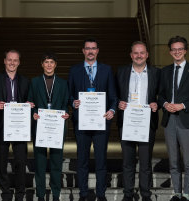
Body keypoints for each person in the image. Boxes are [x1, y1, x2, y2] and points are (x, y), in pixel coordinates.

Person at [68, 38, 118, 201]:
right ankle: (83, 193)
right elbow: (68, 94)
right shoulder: (74, 70)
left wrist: (111, 110)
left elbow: (113, 96)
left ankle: (101, 194)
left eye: (93, 48)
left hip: (101, 122)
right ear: (83, 51)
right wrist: (73, 102)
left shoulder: (107, 70)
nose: (90, 51)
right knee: (81, 160)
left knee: (101, 160)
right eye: (87, 48)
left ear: (97, 51)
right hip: (81, 123)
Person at [158, 36, 189, 201]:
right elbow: (160, 94)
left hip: (187, 120)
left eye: (180, 49)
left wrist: (182, 105)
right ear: (170, 52)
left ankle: (187, 193)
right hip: (169, 120)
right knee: (173, 160)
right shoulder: (165, 71)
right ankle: (176, 193)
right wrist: (165, 104)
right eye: (174, 49)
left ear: (185, 51)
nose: (177, 52)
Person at [116, 41, 160, 201]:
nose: (139, 55)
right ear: (131, 55)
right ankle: (128, 194)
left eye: (142, 53)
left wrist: (157, 103)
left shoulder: (156, 73)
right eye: (136, 53)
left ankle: (145, 195)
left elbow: (161, 95)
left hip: (146, 123)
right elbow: (114, 94)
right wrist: (118, 103)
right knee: (128, 162)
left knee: (145, 162)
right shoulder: (121, 72)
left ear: (147, 55)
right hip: (127, 122)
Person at [27, 52, 69, 201]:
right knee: (39, 163)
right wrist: (33, 113)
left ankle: (56, 194)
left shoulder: (63, 83)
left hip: (57, 127)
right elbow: (30, 102)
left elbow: (66, 103)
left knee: (57, 163)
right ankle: (40, 195)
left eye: (52, 62)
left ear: (55, 64)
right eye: (46, 62)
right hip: (40, 127)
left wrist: (66, 113)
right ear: (42, 64)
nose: (49, 65)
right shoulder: (35, 82)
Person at [0, 50, 30, 201]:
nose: (12, 63)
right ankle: (5, 193)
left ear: (19, 62)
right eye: (9, 60)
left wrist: (28, 104)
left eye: (15, 60)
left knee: (20, 161)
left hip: (20, 127)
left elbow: (29, 100)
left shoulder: (25, 81)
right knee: (2, 161)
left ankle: (20, 194)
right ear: (4, 61)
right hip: (2, 125)